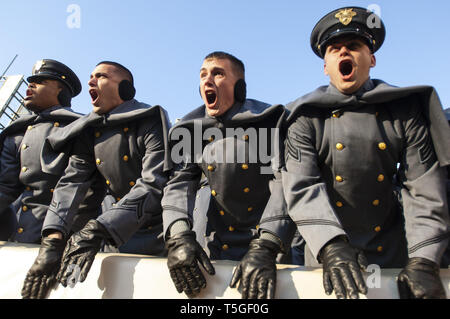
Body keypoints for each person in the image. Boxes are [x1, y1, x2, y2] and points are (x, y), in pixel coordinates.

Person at [257, 7, 450, 299]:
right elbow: (301, 186)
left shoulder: (405, 112)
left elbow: (422, 188)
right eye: (334, 49)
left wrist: (424, 260)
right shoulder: (303, 117)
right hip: (327, 253)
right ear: (326, 66)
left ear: (371, 59)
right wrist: (332, 245)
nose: (343, 52)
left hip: (391, 252)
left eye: (354, 46)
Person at [161, 51, 295, 298]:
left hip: (264, 247)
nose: (207, 80)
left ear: (240, 86)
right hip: (214, 244)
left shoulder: (270, 121)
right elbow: (179, 185)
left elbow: (283, 183)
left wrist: (268, 243)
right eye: (203, 75)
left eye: (218, 73)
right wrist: (178, 235)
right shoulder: (190, 130)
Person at [34, 61, 171, 294]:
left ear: (125, 88)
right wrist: (53, 238)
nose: (90, 81)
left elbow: (153, 183)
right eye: (90, 76)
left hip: (156, 234)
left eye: (101, 76)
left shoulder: (150, 120)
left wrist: (99, 229)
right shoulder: (90, 131)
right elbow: (73, 182)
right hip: (111, 235)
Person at [0, 59, 102, 299]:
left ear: (60, 89)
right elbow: (5, 187)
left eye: (39, 82)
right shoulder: (15, 134)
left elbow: (81, 186)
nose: (29, 86)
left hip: (59, 239)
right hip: (12, 235)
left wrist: (58, 241)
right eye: (29, 82)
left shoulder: (80, 126)